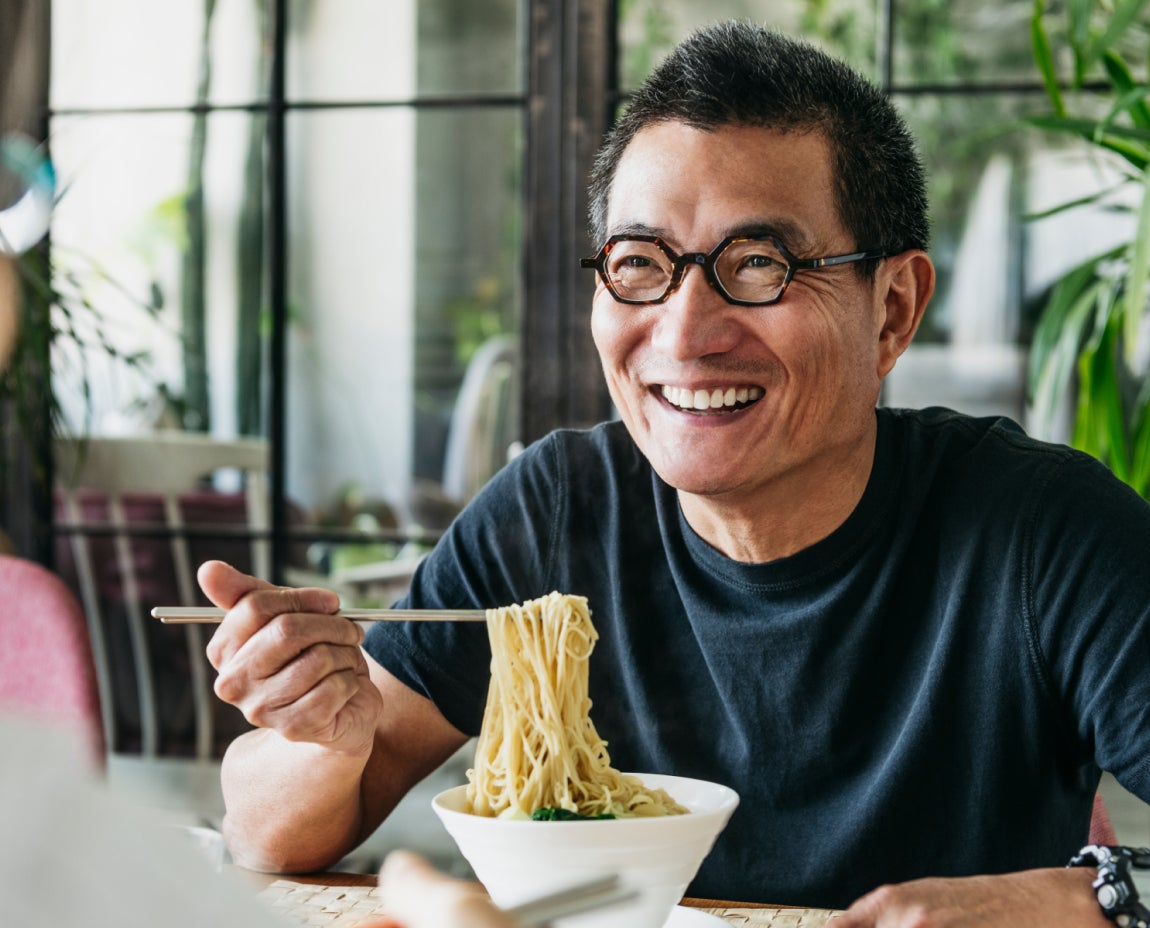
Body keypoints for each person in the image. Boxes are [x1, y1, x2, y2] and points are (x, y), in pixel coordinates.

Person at [199, 21, 1150, 927]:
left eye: (760, 263)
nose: (686, 333)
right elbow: (271, 834)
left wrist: (1105, 900)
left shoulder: (1043, 533)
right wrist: (327, 732)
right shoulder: (557, 512)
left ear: (892, 310)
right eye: (641, 263)